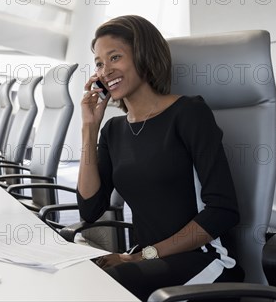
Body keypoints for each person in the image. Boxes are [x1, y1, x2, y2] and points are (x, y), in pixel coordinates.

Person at [77, 15, 243, 301]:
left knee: (107, 288)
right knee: (83, 278)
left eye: (115, 57)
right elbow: (90, 209)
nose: (105, 71)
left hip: (206, 258)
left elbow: (223, 211)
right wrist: (89, 129)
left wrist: (143, 256)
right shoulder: (114, 130)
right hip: (148, 258)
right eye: (99, 63)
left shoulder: (189, 113)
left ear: (144, 55)